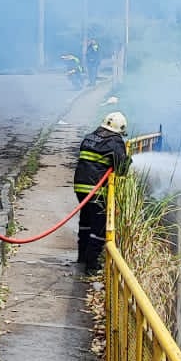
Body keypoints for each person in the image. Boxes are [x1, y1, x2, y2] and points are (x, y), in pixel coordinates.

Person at [73, 110, 130, 272]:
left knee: (85, 223)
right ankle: (91, 266)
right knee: (98, 228)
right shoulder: (115, 141)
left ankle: (82, 257)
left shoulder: (89, 137)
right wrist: (128, 160)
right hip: (96, 190)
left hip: (80, 187)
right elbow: (121, 169)